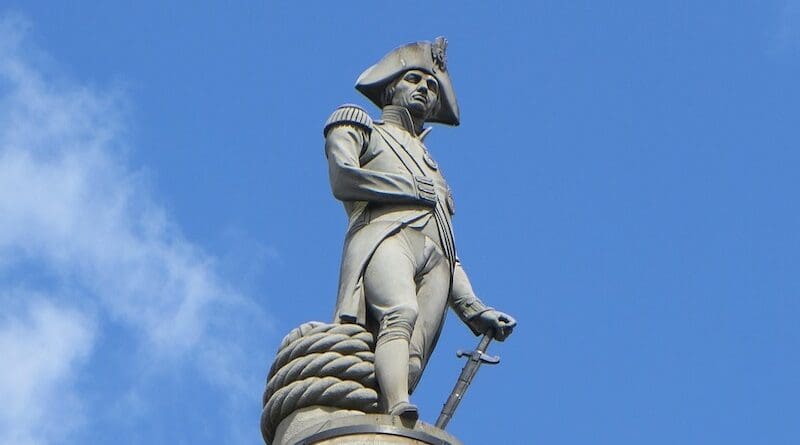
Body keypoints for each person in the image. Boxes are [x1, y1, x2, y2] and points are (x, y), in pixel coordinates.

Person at [323, 37, 516, 420]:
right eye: (414, 80)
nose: (424, 90)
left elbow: (446, 241)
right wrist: (410, 190)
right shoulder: (362, 126)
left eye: (431, 87)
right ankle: (397, 406)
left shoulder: (435, 169)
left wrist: (474, 308)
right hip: (386, 235)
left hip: (437, 261)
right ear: (391, 86)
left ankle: (387, 415)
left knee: (413, 355)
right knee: (399, 312)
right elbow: (343, 179)